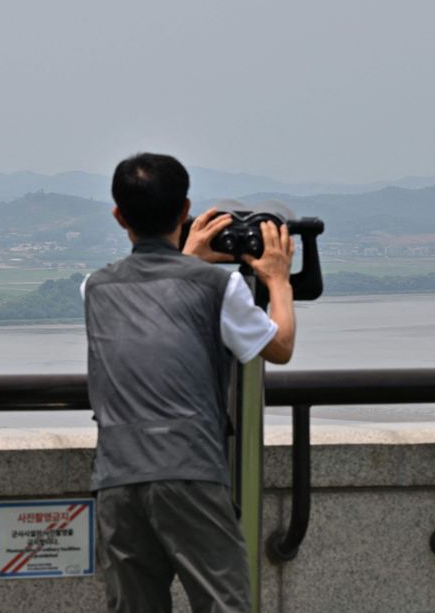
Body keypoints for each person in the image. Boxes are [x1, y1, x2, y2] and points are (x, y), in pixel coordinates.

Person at [82, 153, 295, 613]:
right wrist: (277, 280)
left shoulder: (95, 288)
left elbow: (158, 292)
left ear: (119, 216)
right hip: (189, 470)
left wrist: (185, 258)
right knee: (224, 604)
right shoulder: (218, 288)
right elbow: (279, 347)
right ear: (185, 210)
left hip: (118, 475)